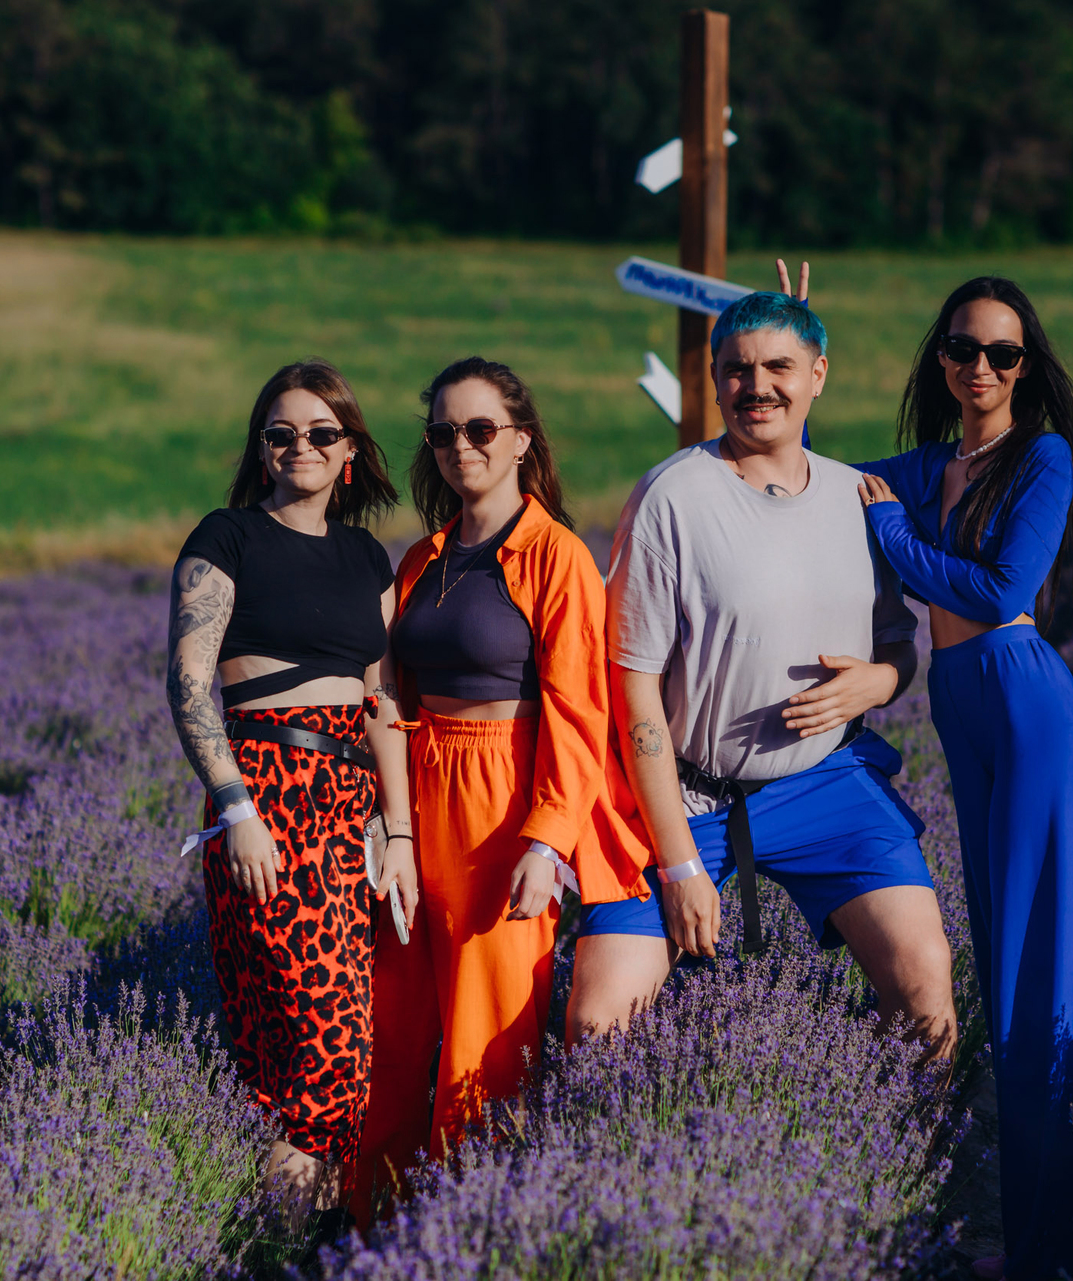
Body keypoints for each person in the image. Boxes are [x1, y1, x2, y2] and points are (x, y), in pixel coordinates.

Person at [564, 291, 958, 1063]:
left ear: (818, 375)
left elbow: (898, 645)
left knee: (926, 985)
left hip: (828, 782)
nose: (757, 385)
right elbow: (633, 687)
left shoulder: (856, 497)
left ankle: (904, 1132)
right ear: (715, 380)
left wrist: (880, 682)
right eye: (737, 369)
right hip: (687, 796)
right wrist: (678, 861)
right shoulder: (671, 497)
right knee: (598, 1023)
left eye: (779, 366)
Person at [850, 271, 1073, 1281]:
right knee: (1003, 966)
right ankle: (1032, 1222)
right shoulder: (931, 464)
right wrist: (789, 347)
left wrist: (893, 536)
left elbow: (1002, 589)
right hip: (963, 706)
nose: (981, 367)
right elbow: (809, 472)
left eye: (1002, 353)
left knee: (1043, 966)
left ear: (1026, 366)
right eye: (963, 348)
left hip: (1028, 705)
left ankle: (1058, 1236)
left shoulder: (1040, 456)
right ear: (941, 359)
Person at [351, 356, 650, 1222]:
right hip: (416, 794)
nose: (461, 446)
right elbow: (389, 691)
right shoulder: (423, 557)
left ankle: (468, 1227)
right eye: (442, 432)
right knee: (393, 1023)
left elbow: (578, 710)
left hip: (502, 797)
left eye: (480, 428)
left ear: (521, 440)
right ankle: (375, 1228)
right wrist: (388, 820)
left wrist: (547, 837)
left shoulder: (556, 555)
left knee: (486, 1035)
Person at [165, 358, 416, 1230]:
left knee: (337, 1043)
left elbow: (383, 703)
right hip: (268, 792)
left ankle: (298, 1235)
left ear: (349, 451)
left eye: (320, 432)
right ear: (261, 448)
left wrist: (398, 831)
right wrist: (236, 807)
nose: (299, 446)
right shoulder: (226, 536)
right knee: (321, 1043)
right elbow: (189, 686)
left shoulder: (366, 557)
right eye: (281, 433)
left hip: (350, 804)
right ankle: (283, 1241)